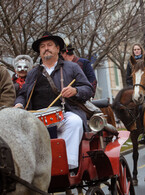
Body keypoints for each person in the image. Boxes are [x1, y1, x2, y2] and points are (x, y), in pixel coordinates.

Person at [14, 31, 94, 171]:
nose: (46, 48)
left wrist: (76, 91)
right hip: (37, 118)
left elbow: (88, 89)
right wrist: (19, 104)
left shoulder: (72, 67)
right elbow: (22, 94)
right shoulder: (33, 73)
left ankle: (67, 165)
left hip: (65, 114)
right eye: (42, 46)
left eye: (50, 45)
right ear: (39, 52)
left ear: (58, 48)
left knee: (75, 122)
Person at [126, 43, 145, 144]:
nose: (136, 51)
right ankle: (134, 130)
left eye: (138, 49)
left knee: (141, 107)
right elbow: (128, 78)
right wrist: (133, 89)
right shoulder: (130, 63)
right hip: (136, 89)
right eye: (135, 50)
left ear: (141, 50)